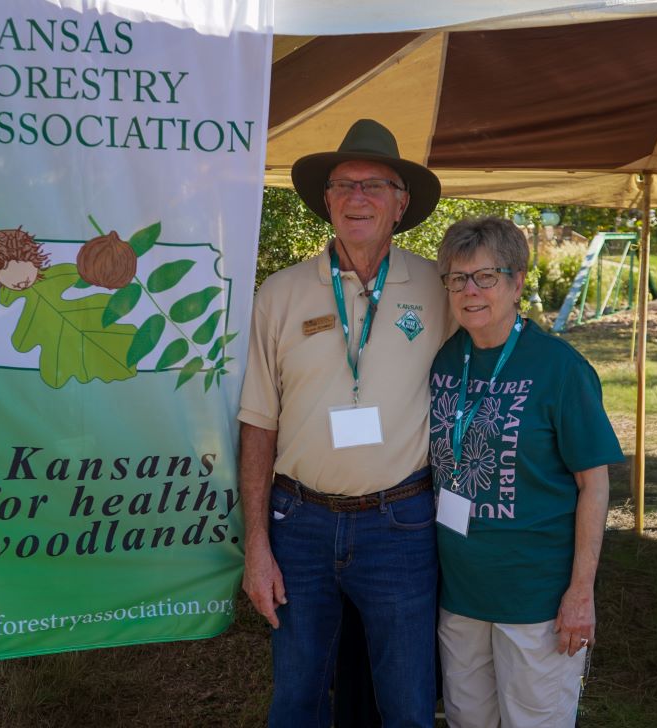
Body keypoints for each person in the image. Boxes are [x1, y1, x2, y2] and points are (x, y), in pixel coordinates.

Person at [237, 118, 453, 727]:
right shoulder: (278, 295)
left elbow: (491, 352)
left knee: (407, 705)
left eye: (375, 185)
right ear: (326, 201)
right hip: (298, 526)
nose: (358, 197)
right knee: (296, 701)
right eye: (344, 185)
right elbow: (257, 426)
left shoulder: (438, 290)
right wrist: (257, 546)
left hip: (401, 525)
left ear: (401, 202)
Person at [430, 217, 624, 728]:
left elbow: (594, 484)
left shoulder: (560, 368)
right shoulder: (445, 360)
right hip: (459, 593)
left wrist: (581, 593)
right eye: (457, 278)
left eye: (486, 277)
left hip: (536, 598)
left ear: (517, 283)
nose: (470, 291)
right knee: (468, 720)